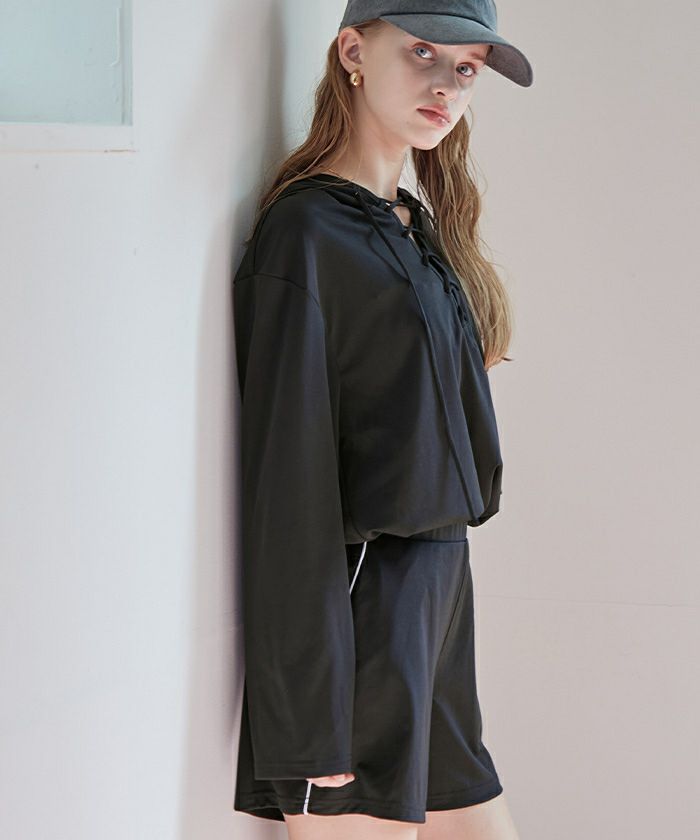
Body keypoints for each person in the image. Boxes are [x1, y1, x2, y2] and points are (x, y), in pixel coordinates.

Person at [231, 2, 533, 838]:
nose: (447, 86)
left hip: (438, 597)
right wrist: (307, 711)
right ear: (354, 52)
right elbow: (288, 479)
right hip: (364, 609)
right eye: (423, 53)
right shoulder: (307, 234)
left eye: (466, 69)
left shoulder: (412, 226)